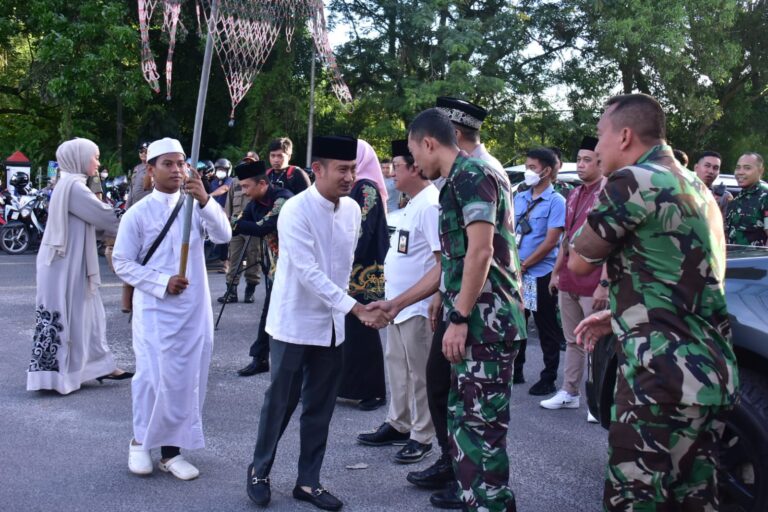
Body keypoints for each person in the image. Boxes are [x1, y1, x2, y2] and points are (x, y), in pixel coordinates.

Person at [568, 93, 738, 510]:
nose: (598, 146)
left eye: (601, 135)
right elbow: (686, 277)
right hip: (711, 374)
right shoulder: (696, 185)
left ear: (624, 135)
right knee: (695, 500)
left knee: (635, 500)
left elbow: (580, 260)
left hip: (659, 379)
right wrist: (618, 313)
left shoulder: (633, 181)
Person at [246, 136, 388, 511]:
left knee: (320, 408)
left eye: (353, 170)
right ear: (318, 170)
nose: (349, 177)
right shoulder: (295, 209)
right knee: (280, 403)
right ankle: (259, 471)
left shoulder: (353, 211)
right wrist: (356, 308)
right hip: (294, 321)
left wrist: (352, 307)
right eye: (342, 170)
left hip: (332, 326)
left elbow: (343, 268)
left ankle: (308, 481)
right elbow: (307, 271)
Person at [113, 137, 231, 481]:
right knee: (152, 378)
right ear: (151, 170)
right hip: (155, 309)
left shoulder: (196, 206)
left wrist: (207, 200)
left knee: (187, 379)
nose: (177, 170)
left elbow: (223, 236)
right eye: (168, 164)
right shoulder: (137, 213)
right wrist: (162, 282)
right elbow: (122, 262)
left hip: (193, 310)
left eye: (181, 163)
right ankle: (139, 442)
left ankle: (172, 451)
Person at [357, 139, 439, 462]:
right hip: (397, 305)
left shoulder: (431, 204)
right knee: (397, 368)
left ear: (415, 168)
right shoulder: (411, 202)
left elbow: (440, 260)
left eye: (397, 165)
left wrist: (434, 299)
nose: (391, 171)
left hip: (417, 306)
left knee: (419, 373)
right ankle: (399, 422)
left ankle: (422, 433)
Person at [27, 138, 129, 395]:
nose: (98, 162)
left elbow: (91, 223)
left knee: (87, 314)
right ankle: (55, 377)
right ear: (79, 158)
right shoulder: (75, 188)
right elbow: (105, 217)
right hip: (64, 264)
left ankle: (100, 366)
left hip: (65, 262)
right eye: (94, 157)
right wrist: (136, 217)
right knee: (69, 315)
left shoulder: (69, 184)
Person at [541, 136, 607, 419]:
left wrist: (605, 283)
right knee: (572, 340)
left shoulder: (608, 194)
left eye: (587, 160)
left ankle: (597, 400)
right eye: (578, 160)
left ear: (600, 162)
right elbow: (566, 240)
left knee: (596, 343)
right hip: (569, 277)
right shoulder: (574, 194)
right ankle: (570, 392)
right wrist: (556, 273)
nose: (580, 165)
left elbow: (611, 245)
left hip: (594, 281)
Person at [337, 139, 389, 411]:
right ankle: (348, 387)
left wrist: (342, 253)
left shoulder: (366, 188)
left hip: (363, 269)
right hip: (350, 267)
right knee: (349, 329)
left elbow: (362, 228)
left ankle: (373, 391)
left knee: (364, 329)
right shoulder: (355, 186)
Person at [512, 148, 567, 396]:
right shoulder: (520, 197)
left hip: (539, 273)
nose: (528, 171)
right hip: (517, 273)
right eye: (527, 166)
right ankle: (517, 369)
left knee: (545, 327)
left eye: (532, 167)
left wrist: (524, 266)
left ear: (546, 171)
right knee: (518, 323)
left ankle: (549, 377)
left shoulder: (556, 202)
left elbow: (550, 242)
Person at [232, 160, 294, 377]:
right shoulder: (255, 203)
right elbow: (237, 224)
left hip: (296, 269)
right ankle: (260, 358)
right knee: (269, 311)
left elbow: (263, 227)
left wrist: (238, 224)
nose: (244, 192)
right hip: (274, 268)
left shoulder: (283, 199)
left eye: (246, 187)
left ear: (261, 184)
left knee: (289, 316)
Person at [217, 157, 263, 305]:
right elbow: (228, 206)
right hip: (236, 227)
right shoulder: (234, 183)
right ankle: (231, 292)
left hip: (253, 227)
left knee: (253, 259)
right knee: (234, 259)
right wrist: (228, 224)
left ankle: (250, 290)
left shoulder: (257, 183)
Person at [725, 152, 768, 246]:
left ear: (760, 171)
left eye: (747, 168)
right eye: (738, 167)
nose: (740, 172)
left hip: (755, 260)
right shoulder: (736, 200)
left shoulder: (765, 198)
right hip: (733, 259)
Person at [209, 158, 234, 273]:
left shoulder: (230, 181)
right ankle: (222, 261)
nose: (220, 171)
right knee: (219, 238)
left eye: (223, 169)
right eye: (219, 169)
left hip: (228, 212)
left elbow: (225, 189)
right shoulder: (213, 182)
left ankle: (227, 264)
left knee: (228, 239)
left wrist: (210, 195)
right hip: (216, 213)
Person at [693, 151, 732, 217]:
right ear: (696, 167)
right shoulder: (682, 189)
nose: (711, 171)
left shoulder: (724, 197)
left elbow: (725, 224)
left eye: (716, 168)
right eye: (707, 166)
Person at [126, 142, 152, 209]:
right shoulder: (136, 168)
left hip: (147, 206)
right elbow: (132, 189)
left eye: (146, 151)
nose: (143, 153)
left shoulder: (154, 168)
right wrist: (126, 208)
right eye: (141, 151)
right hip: (135, 206)